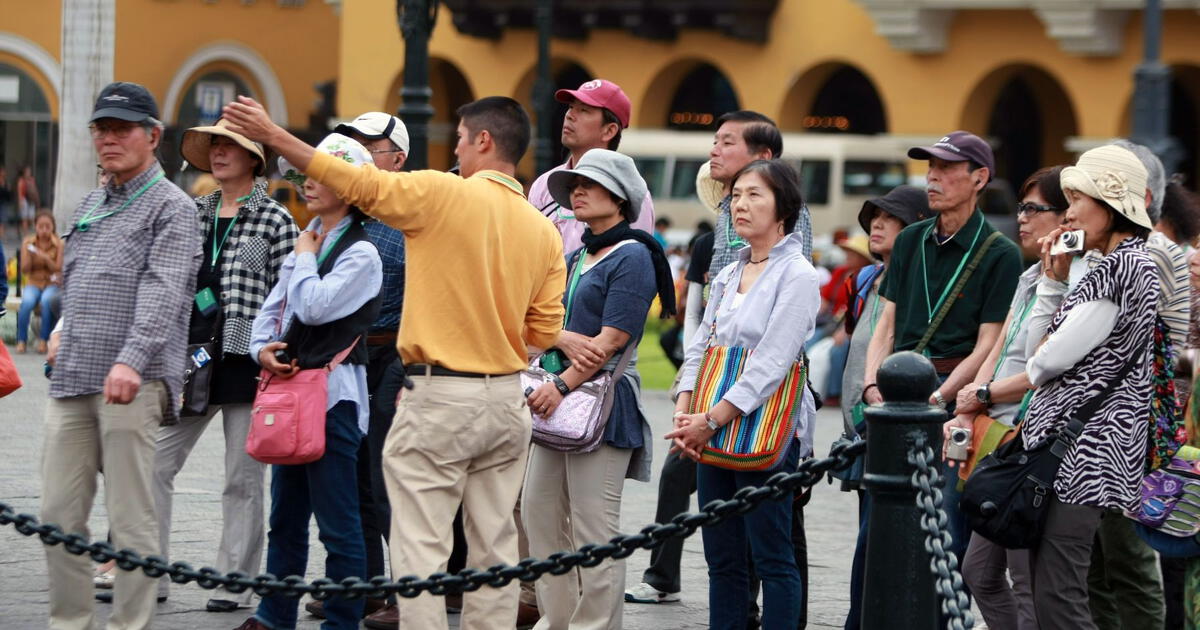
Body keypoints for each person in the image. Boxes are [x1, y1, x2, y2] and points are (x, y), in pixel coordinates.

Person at [223, 94, 568, 630]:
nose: (454, 149)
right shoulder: (543, 229)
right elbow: (543, 332)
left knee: (420, 546)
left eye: (457, 139)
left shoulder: (443, 192)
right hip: (505, 398)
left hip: (440, 394)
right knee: (494, 548)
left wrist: (275, 135)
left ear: (483, 141)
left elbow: (362, 184)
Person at [40, 81, 202, 630]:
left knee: (131, 520)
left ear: (153, 136)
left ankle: (128, 626)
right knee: (56, 515)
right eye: (101, 129)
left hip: (134, 382)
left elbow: (165, 291)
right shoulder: (90, 203)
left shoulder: (174, 208)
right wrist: (61, 326)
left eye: (121, 129)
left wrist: (131, 359)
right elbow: (78, 279)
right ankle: (71, 622)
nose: (108, 139)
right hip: (73, 378)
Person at [234, 133, 383, 630]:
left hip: (334, 397)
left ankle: (340, 621)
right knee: (286, 517)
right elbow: (270, 313)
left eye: (322, 174)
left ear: (350, 185)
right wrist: (261, 349)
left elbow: (312, 306)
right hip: (297, 394)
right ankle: (273, 614)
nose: (308, 181)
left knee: (339, 523)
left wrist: (300, 257)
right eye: (306, 173)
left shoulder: (362, 253)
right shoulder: (312, 237)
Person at [862, 131, 1023, 586]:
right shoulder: (911, 239)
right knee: (872, 533)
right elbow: (885, 325)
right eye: (930, 167)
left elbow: (988, 345)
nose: (933, 177)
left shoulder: (1000, 253)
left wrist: (939, 396)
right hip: (892, 398)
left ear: (979, 178)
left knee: (942, 529)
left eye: (947, 169)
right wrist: (873, 385)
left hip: (952, 404)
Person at [151, 118, 298, 613]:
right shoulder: (191, 212)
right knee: (154, 463)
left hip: (247, 361)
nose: (217, 152)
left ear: (253, 157)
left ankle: (234, 579)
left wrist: (278, 350)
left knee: (242, 478)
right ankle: (148, 572)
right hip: (189, 359)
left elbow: (289, 297)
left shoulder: (277, 219)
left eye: (229, 145)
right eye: (212, 144)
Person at [522, 149, 674, 629]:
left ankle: (594, 626)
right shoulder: (577, 253)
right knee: (538, 515)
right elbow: (544, 322)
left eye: (588, 184)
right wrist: (561, 340)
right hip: (558, 397)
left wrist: (562, 383)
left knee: (594, 527)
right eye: (573, 187)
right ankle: (557, 618)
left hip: (599, 403)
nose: (577, 193)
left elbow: (612, 340)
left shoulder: (634, 254)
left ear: (621, 197)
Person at [667, 159, 819, 630]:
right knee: (722, 555)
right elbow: (701, 345)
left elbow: (773, 363)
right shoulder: (731, 271)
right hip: (709, 425)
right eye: (736, 196)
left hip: (762, 425)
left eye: (755, 195)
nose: (741, 205)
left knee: (772, 554)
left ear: (783, 208)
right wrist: (684, 411)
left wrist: (709, 419)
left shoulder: (797, 274)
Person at [1018, 144, 1159, 629]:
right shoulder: (1109, 264)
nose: (1070, 210)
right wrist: (1053, 280)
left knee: (1059, 591)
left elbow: (1044, 360)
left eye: (1079, 199)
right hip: (1080, 448)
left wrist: (1054, 296)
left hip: (1085, 451)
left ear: (1112, 204)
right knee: (1052, 586)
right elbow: (1039, 347)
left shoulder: (1124, 266)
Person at [940, 166, 1069, 630]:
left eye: (1035, 209)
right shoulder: (1030, 274)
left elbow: (1044, 366)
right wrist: (970, 402)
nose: (1022, 218)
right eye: (1021, 208)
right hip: (998, 431)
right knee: (978, 572)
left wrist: (986, 391)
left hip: (1033, 439)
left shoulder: (1071, 284)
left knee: (1023, 577)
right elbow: (1000, 346)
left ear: (1067, 217)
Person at [297, 111, 411, 625]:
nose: (357, 154)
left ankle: (411, 592)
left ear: (397, 159)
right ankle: (362, 584)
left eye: (369, 145)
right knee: (353, 473)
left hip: (399, 354)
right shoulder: (334, 217)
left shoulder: (411, 209)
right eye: (350, 144)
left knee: (389, 476)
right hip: (350, 353)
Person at [1083, 140, 1179, 630]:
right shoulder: (1120, 255)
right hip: (1114, 424)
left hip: (1132, 428)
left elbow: (1137, 344)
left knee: (1128, 559)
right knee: (1098, 563)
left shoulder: (1149, 254)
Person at [839, 184, 930, 629]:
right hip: (860, 424)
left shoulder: (920, 280)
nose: (876, 223)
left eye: (890, 217)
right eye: (874, 215)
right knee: (866, 533)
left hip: (895, 423)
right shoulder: (864, 280)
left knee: (878, 537)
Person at [527, 79, 655, 252]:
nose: (570, 115)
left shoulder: (630, 192)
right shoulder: (544, 185)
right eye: (571, 107)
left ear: (609, 131)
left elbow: (637, 260)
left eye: (584, 110)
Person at [707, 111, 811, 276]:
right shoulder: (728, 207)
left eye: (727, 143)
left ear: (763, 156)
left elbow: (794, 275)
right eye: (715, 142)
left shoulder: (785, 206)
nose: (713, 151)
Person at [15, 211, 63, 354]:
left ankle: (43, 340)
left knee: (47, 301)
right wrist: (29, 254)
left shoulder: (58, 243)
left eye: (47, 227)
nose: (44, 230)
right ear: (35, 227)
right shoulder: (28, 243)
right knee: (27, 302)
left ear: (53, 227)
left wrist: (45, 257)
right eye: (40, 226)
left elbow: (58, 268)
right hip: (33, 282)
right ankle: (21, 340)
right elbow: (24, 269)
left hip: (51, 283)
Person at [17, 164, 39, 234]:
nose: (28, 173)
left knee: (31, 217)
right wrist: (20, 201)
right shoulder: (21, 180)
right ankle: (25, 233)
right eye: (27, 171)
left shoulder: (32, 180)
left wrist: (37, 199)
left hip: (31, 200)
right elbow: (20, 191)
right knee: (25, 218)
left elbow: (35, 190)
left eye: (29, 171)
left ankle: (26, 229)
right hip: (24, 199)